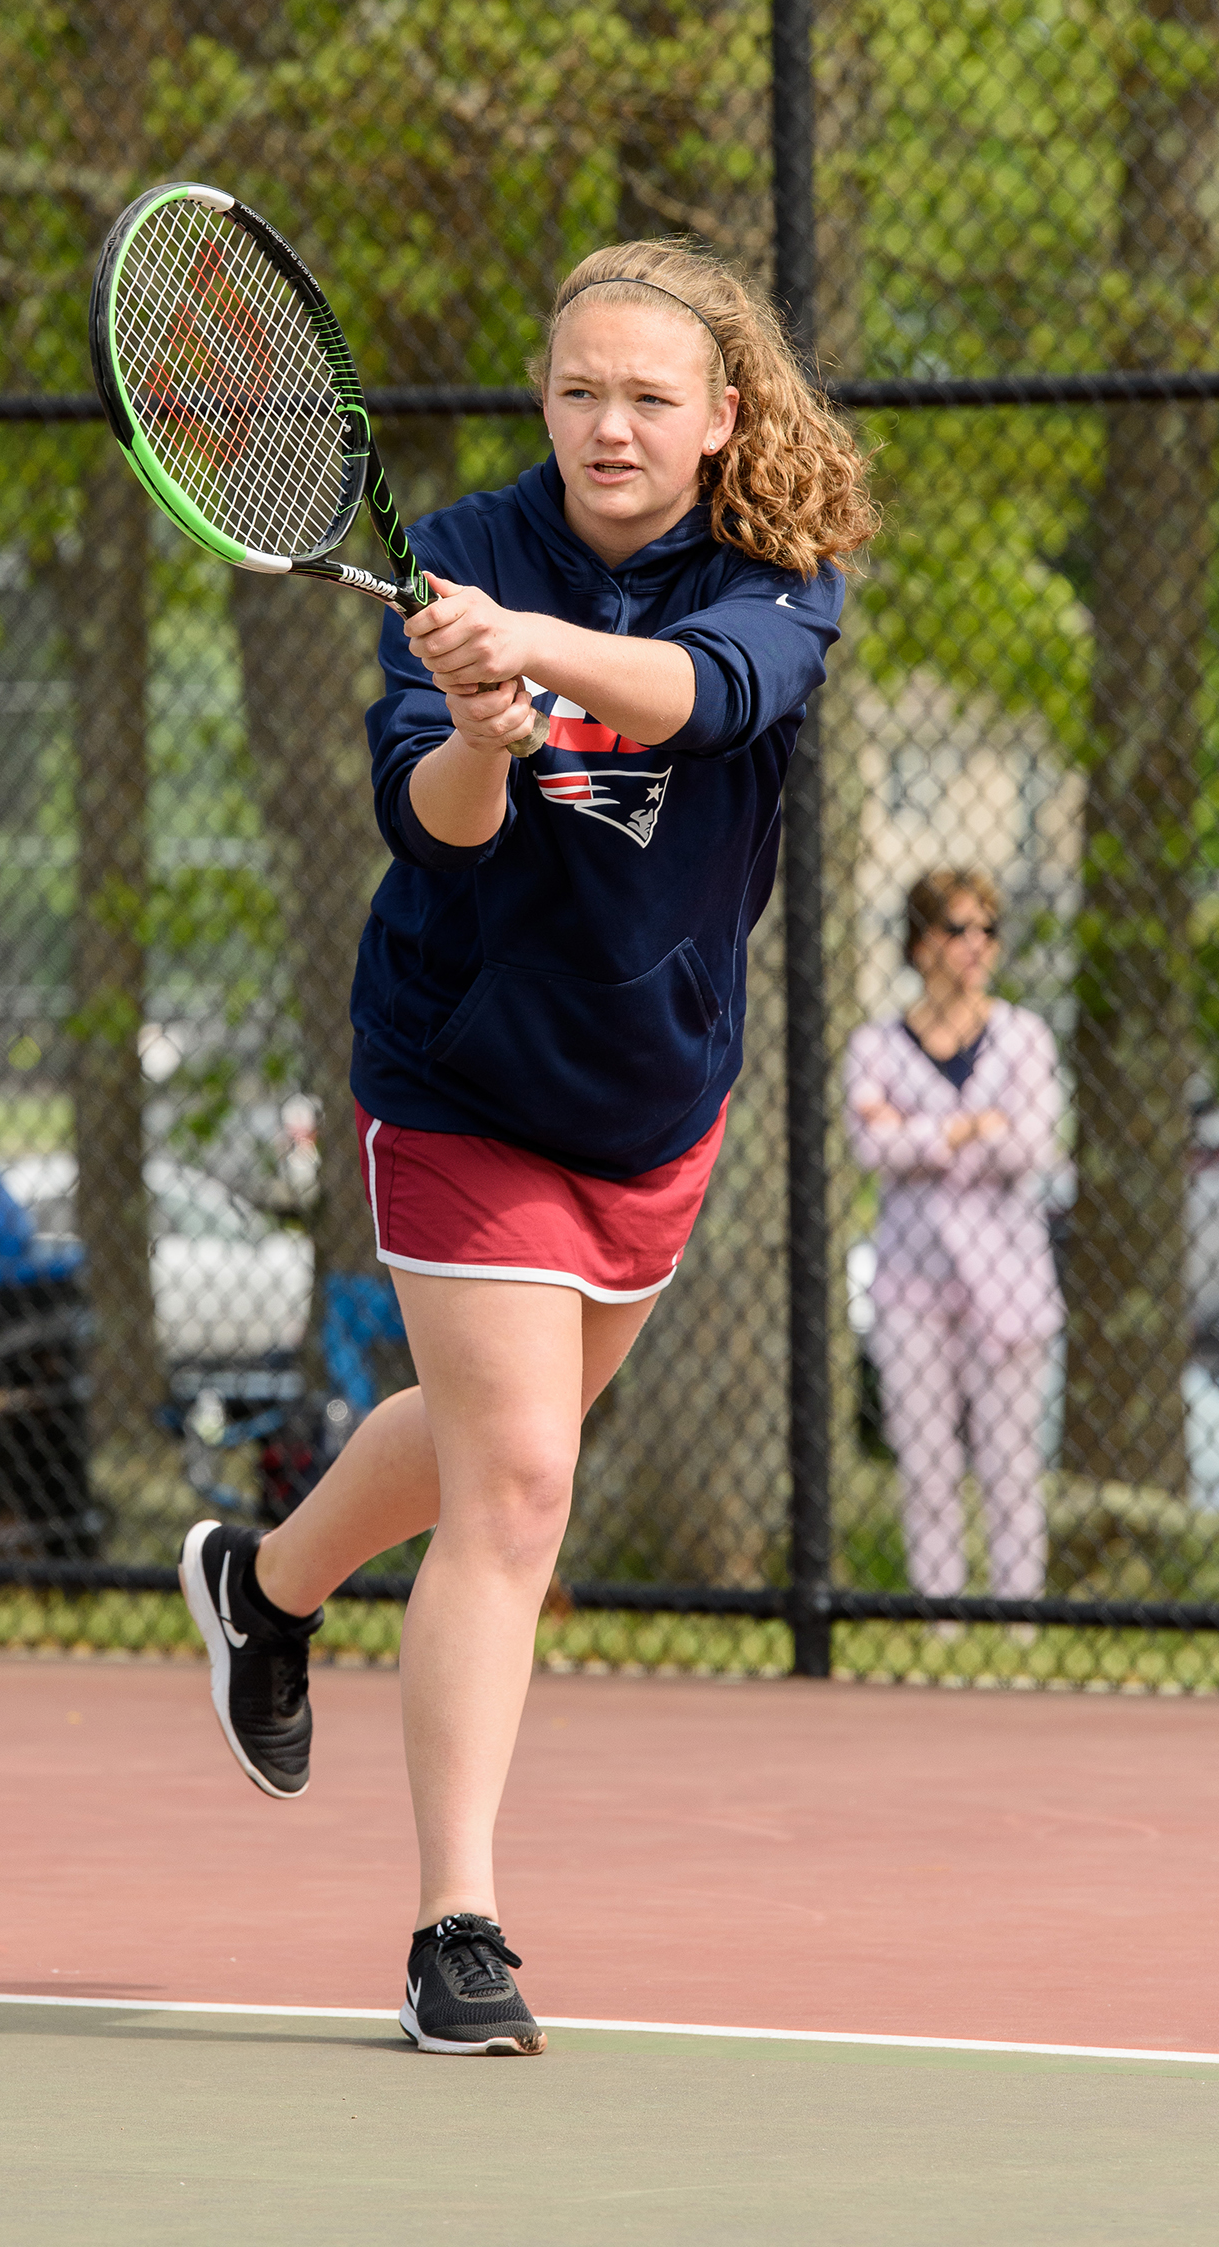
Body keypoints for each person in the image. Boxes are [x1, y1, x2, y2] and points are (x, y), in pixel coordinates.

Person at [180, 239, 876, 2054]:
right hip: (462, 1075)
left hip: (654, 1092)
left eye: (651, 395)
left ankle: (261, 1587)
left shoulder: (778, 572)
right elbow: (434, 825)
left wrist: (548, 659)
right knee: (518, 1488)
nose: (612, 424)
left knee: (524, 1433)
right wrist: (485, 733)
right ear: (544, 401)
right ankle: (454, 1925)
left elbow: (707, 696)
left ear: (722, 414)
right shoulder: (466, 557)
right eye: (581, 390)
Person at [845, 870, 1064, 1609]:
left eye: (987, 930)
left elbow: (1030, 1143)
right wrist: (973, 1126)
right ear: (920, 942)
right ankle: (937, 1613)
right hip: (912, 1280)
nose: (976, 945)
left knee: (1010, 1460)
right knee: (926, 1457)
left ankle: (1018, 1615)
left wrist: (918, 1134)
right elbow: (869, 1147)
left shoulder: (1024, 1036)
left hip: (1010, 1283)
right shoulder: (878, 1042)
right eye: (957, 929)